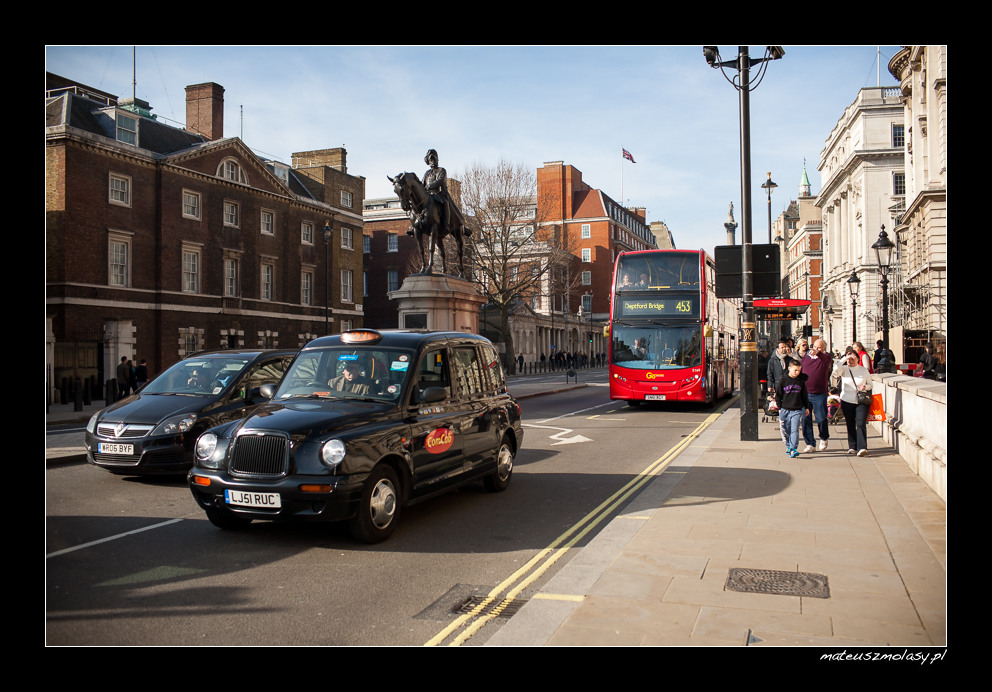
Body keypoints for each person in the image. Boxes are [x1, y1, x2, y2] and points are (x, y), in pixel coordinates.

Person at [832, 347, 874, 456]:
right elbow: (835, 369)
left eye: (852, 359)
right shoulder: (844, 369)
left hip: (861, 401)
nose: (850, 361)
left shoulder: (863, 370)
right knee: (850, 424)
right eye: (848, 359)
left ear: (858, 359)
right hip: (847, 400)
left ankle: (862, 447)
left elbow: (871, 385)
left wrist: (865, 387)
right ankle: (852, 446)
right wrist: (844, 359)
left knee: (860, 423)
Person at [801, 338, 833, 452]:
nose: (815, 349)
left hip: (819, 394)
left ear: (824, 349)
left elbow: (825, 359)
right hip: (805, 393)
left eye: (819, 347)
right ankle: (810, 443)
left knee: (821, 418)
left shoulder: (826, 358)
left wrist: (818, 353)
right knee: (805, 419)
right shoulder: (806, 357)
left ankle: (824, 437)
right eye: (814, 347)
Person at [775, 358, 810, 458]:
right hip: (785, 409)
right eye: (795, 370)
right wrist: (779, 408)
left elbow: (804, 395)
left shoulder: (801, 381)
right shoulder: (783, 380)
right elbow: (778, 395)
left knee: (795, 430)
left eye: (799, 370)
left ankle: (793, 448)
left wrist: (806, 407)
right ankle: (788, 445)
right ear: (789, 368)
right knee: (786, 430)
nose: (797, 372)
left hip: (797, 409)